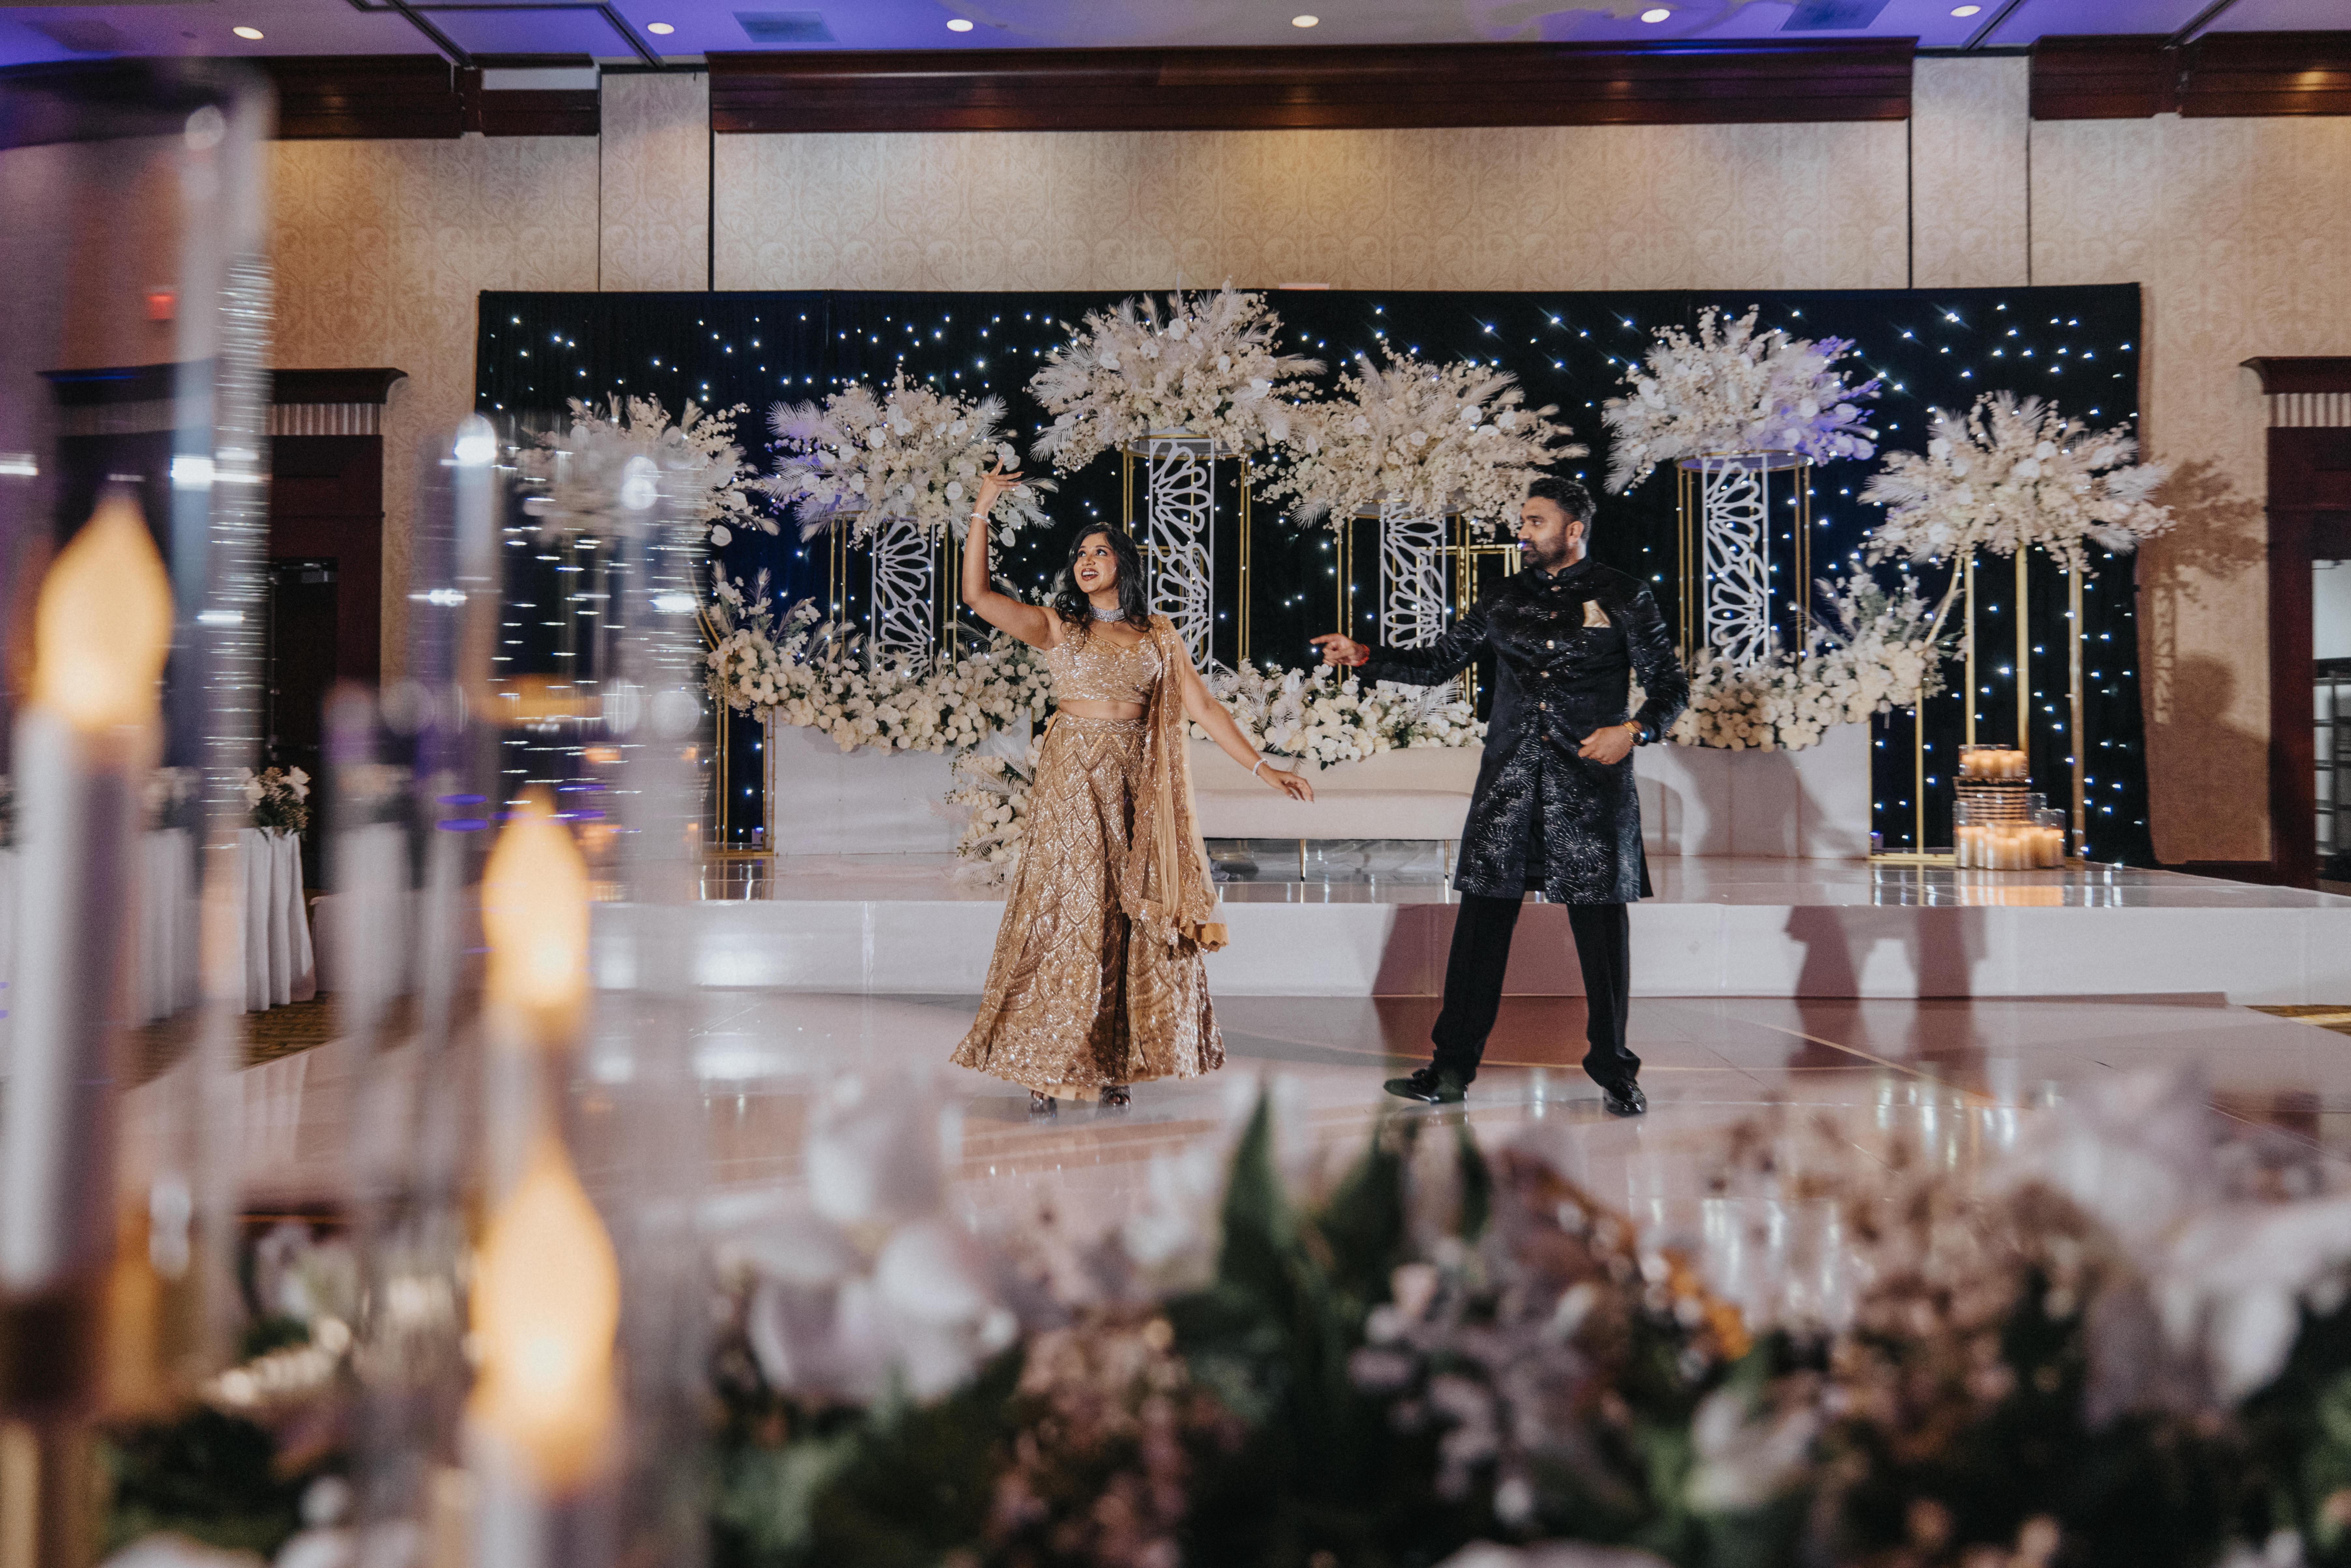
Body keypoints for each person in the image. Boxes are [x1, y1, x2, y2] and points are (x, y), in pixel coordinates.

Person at [1312, 475, 1687, 1115]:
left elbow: (1669, 687)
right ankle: (1450, 1069)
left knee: (1601, 937)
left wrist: (1632, 732)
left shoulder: (1625, 594)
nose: (1524, 532)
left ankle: (1614, 1069)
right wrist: (1364, 655)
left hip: (1588, 792)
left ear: (1574, 529)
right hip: (1509, 789)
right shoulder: (1501, 595)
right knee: (1479, 932)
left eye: (1536, 521)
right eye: (1523, 521)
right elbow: (1438, 662)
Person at [952, 464, 1314, 1113]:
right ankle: (1046, 1063)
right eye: (1079, 554)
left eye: (1099, 551)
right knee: (1069, 914)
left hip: (1135, 788)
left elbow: (1204, 708)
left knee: (1126, 918)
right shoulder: (1059, 627)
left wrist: (1266, 769)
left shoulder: (1158, 635)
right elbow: (977, 595)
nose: (1086, 561)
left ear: (1122, 562)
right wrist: (982, 507)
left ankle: (1114, 1061)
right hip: (1072, 782)